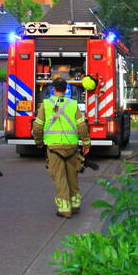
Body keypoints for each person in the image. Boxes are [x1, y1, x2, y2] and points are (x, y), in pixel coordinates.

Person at [33, 77, 90, 218]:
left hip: (54, 148)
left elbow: (37, 127)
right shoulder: (73, 104)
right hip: (72, 147)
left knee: (59, 178)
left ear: (53, 89)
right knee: (72, 176)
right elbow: (82, 126)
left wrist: (38, 141)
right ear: (66, 90)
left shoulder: (46, 104)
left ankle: (64, 209)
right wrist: (86, 143)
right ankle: (75, 205)